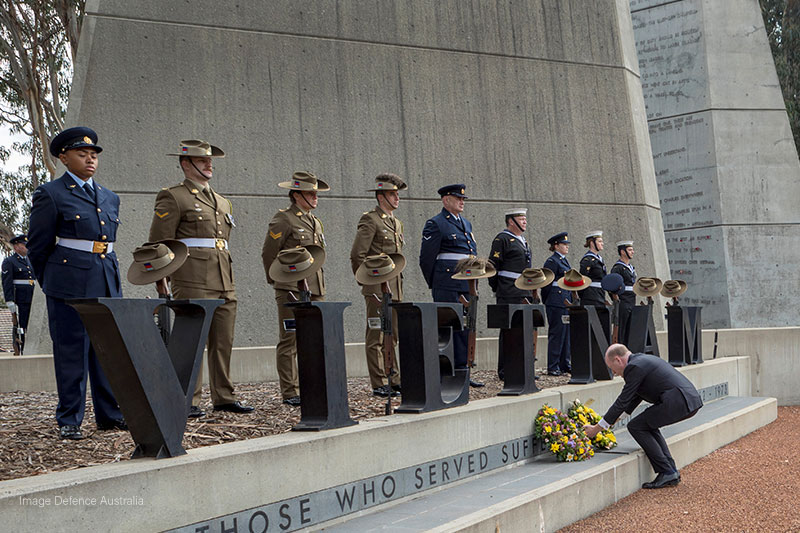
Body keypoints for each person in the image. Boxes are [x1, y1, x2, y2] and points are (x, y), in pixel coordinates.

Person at [27, 126, 125, 440]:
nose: (90, 159)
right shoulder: (51, 194)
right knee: (72, 350)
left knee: (106, 350)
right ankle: (69, 418)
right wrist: (50, 282)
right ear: (64, 158)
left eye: (93, 154)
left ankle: (109, 415)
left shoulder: (110, 197)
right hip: (68, 282)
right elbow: (38, 246)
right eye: (82, 154)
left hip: (106, 279)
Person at [149, 139, 253, 417]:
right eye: (202, 160)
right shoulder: (173, 196)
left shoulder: (221, 201)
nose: (209, 165)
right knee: (192, 341)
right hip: (192, 277)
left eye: (210, 161)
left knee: (223, 341)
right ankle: (187, 398)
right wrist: (161, 277)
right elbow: (160, 242)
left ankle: (224, 396)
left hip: (223, 278)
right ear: (186, 164)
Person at [584, 343, 703, 489]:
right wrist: (615, 420)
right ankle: (670, 471)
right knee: (647, 425)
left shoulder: (634, 367)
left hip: (679, 401)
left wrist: (596, 429)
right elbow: (634, 398)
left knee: (637, 426)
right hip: (686, 400)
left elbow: (622, 401)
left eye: (611, 368)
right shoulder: (640, 362)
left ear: (618, 360)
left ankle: (667, 471)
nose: (614, 373)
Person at [261, 171, 328, 406]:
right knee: (290, 339)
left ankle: (312, 386)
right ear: (297, 194)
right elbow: (269, 252)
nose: (315, 197)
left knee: (314, 338)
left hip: (314, 286)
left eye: (316, 193)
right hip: (290, 287)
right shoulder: (284, 219)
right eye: (311, 193)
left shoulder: (314, 221)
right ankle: (290, 391)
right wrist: (277, 280)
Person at [419, 184, 482, 387]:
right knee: (447, 329)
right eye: (457, 198)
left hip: (466, 283)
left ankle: (463, 370)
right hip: (446, 283)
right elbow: (426, 259)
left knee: (465, 327)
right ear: (446, 200)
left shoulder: (466, 224)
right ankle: (447, 372)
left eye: (462, 199)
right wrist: (436, 283)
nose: (462, 201)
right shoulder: (436, 224)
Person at [349, 174, 406, 398]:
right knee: (377, 335)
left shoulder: (396, 223)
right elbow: (357, 254)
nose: (397, 198)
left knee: (393, 335)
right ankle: (379, 381)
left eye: (397, 194)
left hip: (395, 286)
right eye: (392, 194)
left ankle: (394, 377)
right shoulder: (371, 220)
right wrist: (366, 281)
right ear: (381, 196)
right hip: (377, 287)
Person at [488, 208, 532, 380]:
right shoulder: (502, 239)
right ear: (511, 221)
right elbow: (493, 265)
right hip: (508, 290)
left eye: (525, 218)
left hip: (523, 290)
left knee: (522, 331)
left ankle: (520, 366)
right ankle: (506, 370)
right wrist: (498, 288)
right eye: (521, 218)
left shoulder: (522, 241)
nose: (524, 221)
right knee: (508, 330)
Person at [541, 232, 572, 376]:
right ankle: (553, 366)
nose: (566, 247)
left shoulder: (564, 261)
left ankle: (564, 363)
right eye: (564, 244)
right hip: (556, 301)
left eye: (567, 244)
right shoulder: (552, 262)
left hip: (564, 301)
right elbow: (546, 284)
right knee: (557, 333)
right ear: (556, 246)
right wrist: (548, 300)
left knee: (565, 334)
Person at [2, 234, 35, 352]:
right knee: (21, 326)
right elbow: (7, 282)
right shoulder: (10, 261)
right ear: (16, 247)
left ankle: (30, 347)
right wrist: (9, 300)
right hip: (20, 298)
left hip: (31, 297)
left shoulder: (30, 261)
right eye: (23, 245)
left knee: (32, 325)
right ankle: (21, 347)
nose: (26, 247)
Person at [610, 240, 636, 344]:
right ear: (622, 252)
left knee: (630, 330)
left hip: (631, 299)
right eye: (630, 250)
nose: (632, 252)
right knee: (621, 329)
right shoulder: (618, 268)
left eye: (632, 249)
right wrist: (615, 298)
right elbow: (611, 285)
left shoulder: (631, 268)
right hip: (623, 300)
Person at [578, 230, 607, 307]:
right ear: (592, 243)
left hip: (600, 294)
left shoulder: (600, 259)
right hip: (590, 297)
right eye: (600, 241)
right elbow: (582, 279)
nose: (602, 244)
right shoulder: (588, 260)